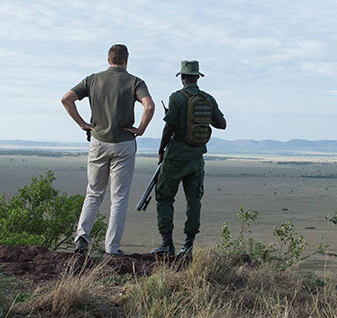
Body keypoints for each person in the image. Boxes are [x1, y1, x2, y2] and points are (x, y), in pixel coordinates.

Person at [61, 44, 155, 256]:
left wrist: (82, 123)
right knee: (119, 197)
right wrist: (140, 129)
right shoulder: (135, 82)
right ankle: (111, 249)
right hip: (124, 143)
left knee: (93, 193)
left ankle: (82, 240)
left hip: (98, 141)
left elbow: (66, 99)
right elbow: (149, 106)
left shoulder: (92, 79)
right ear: (126, 60)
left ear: (108, 59)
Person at [152, 60, 226, 259]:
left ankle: (167, 244)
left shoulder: (177, 98)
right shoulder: (208, 99)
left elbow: (169, 128)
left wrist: (161, 150)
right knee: (194, 200)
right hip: (197, 158)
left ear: (182, 77)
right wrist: (203, 118)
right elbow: (222, 124)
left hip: (176, 157)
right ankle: (188, 246)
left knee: (165, 197)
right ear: (197, 76)